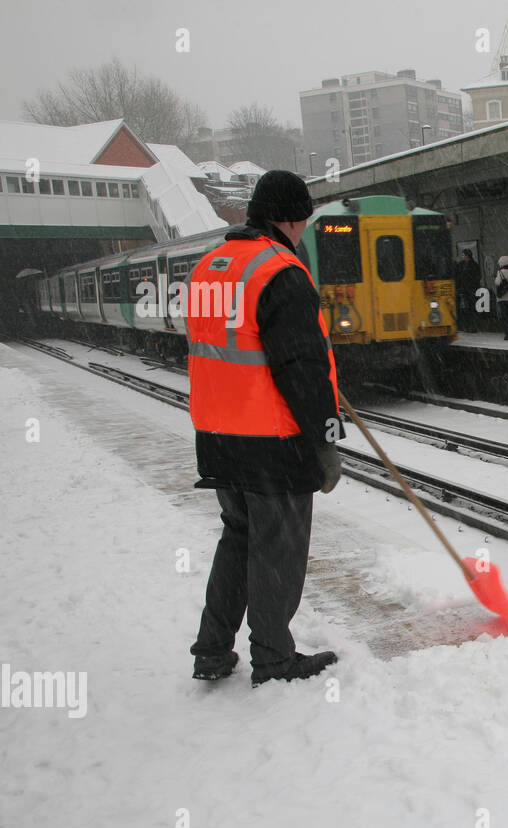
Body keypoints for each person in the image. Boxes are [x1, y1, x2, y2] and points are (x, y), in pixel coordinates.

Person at [187, 170, 340, 687]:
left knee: (238, 538)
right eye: (305, 221)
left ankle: (211, 649)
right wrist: (326, 440)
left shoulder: (210, 267)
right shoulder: (282, 271)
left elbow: (240, 348)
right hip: (272, 439)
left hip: (216, 434)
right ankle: (274, 658)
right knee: (278, 547)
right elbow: (300, 367)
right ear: (292, 218)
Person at [454, 249, 481, 333]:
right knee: (467, 308)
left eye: (463, 255)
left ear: (466, 255)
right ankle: (468, 325)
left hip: (469, 289)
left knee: (469, 308)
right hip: (466, 289)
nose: (462, 256)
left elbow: (477, 276)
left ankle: (470, 326)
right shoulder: (465, 265)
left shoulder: (471, 265)